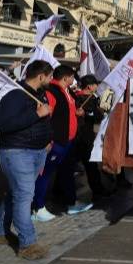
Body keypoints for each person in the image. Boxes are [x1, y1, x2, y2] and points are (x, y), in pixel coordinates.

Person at [0, 60, 53, 260]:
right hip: (17, 153)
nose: (51, 79)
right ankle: (27, 244)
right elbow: (6, 124)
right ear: (41, 76)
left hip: (35, 152)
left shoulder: (37, 93)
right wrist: (37, 114)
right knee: (24, 196)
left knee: (16, 195)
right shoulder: (15, 94)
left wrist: (46, 140)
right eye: (50, 76)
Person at [32, 65, 91, 221]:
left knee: (67, 173)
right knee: (44, 174)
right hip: (56, 141)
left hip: (68, 141)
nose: (74, 80)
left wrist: (78, 113)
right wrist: (47, 140)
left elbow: (69, 111)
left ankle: (71, 203)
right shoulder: (52, 91)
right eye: (72, 77)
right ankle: (37, 208)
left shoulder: (68, 92)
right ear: (66, 78)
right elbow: (46, 116)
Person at [73, 75, 108, 199]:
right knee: (90, 166)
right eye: (95, 84)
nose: (97, 86)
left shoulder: (86, 98)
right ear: (89, 86)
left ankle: (61, 191)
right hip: (82, 137)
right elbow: (96, 117)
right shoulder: (81, 98)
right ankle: (98, 190)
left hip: (81, 136)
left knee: (75, 165)